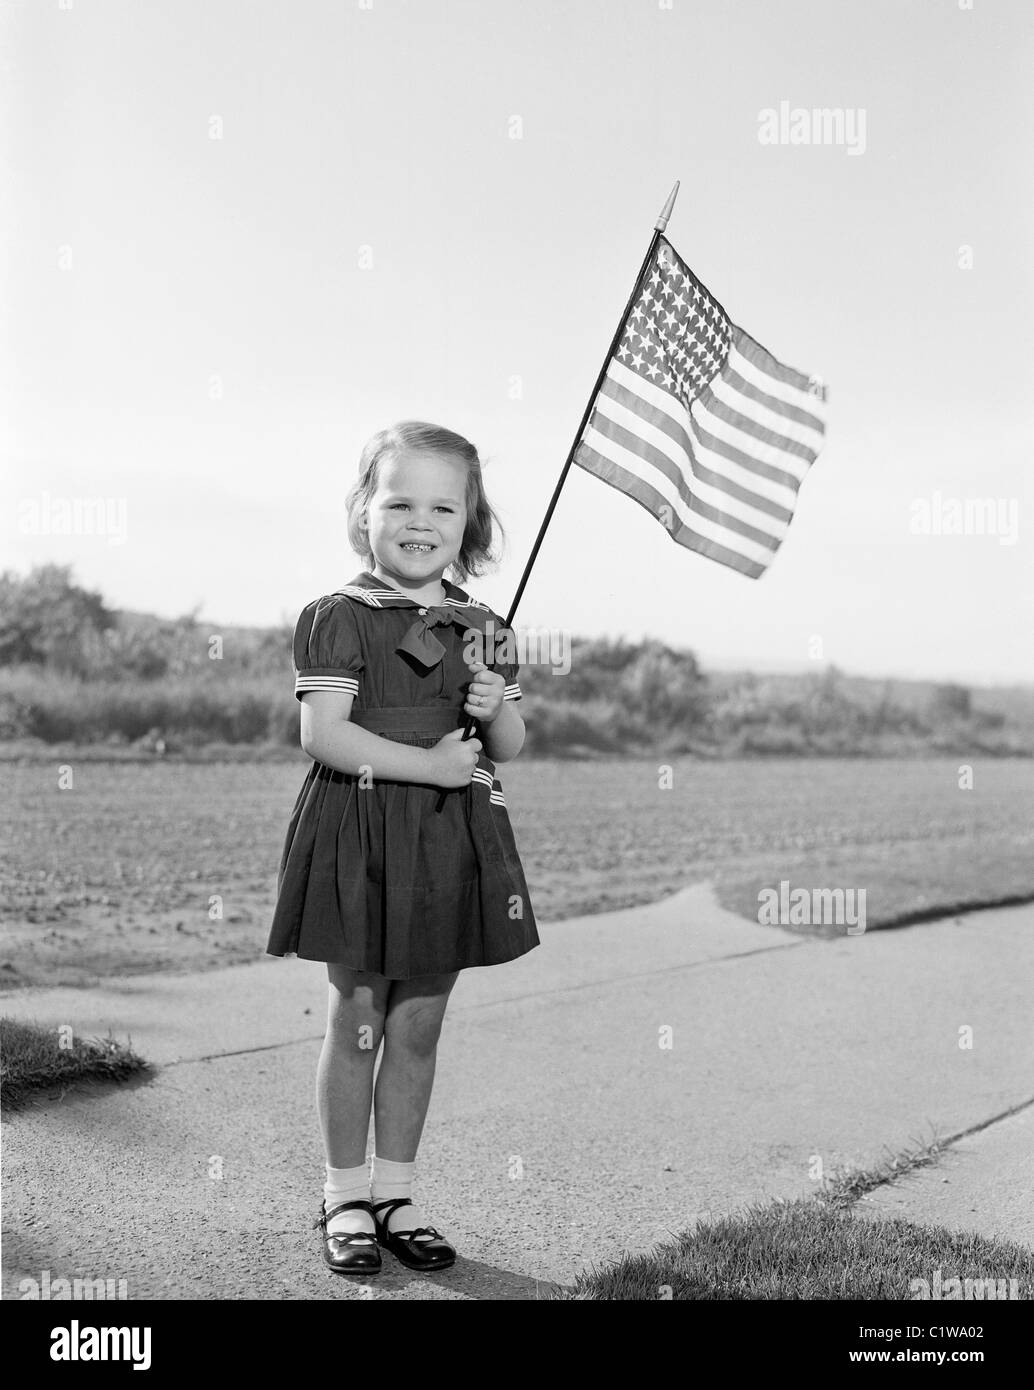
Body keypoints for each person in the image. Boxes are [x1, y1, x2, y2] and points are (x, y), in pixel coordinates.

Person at [267, 420, 539, 1276]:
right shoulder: (338, 616)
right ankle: (343, 1194)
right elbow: (325, 735)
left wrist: (495, 706)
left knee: (419, 1023)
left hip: (449, 838)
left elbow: (512, 746)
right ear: (364, 511)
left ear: (471, 524)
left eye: (443, 507)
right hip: (366, 824)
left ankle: (395, 1193)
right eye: (400, 501)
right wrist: (427, 763)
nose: (420, 521)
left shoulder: (484, 623)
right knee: (358, 1019)